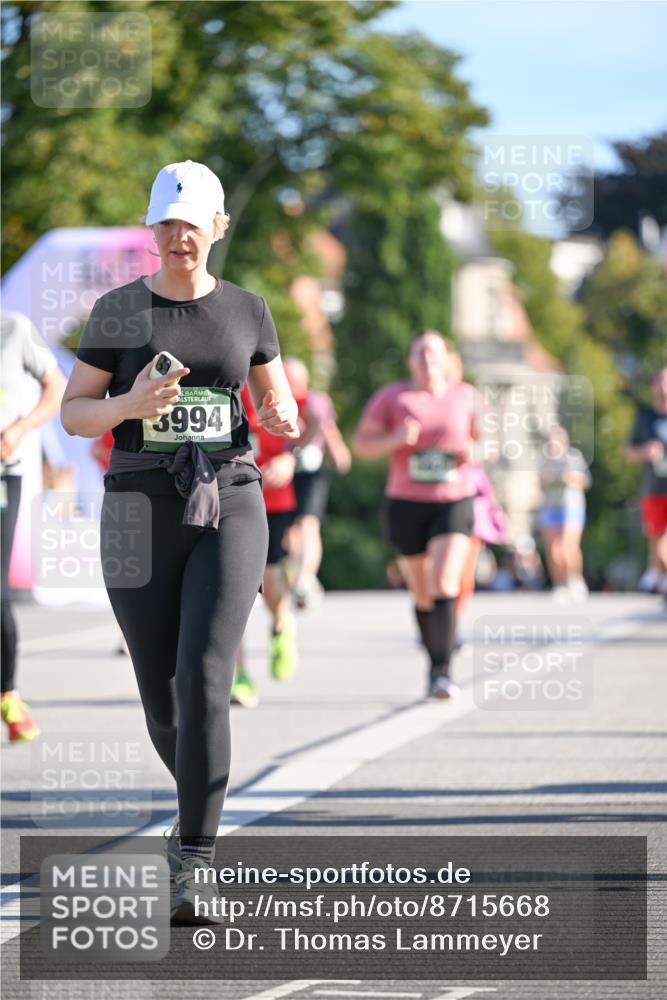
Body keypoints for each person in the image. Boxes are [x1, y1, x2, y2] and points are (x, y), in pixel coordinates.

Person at [60, 160, 299, 923]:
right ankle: (197, 789)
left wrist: (283, 418)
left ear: (218, 228)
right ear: (152, 230)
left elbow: (273, 395)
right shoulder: (119, 310)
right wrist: (129, 401)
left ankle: (195, 859)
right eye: (166, 223)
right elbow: (74, 413)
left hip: (229, 499)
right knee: (162, 699)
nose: (178, 236)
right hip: (137, 509)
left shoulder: (249, 310)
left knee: (204, 679)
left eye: (192, 223)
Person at [353, 331, 480, 700]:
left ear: (446, 358)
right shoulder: (393, 398)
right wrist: (395, 440)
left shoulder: (466, 396)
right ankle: (436, 656)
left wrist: (473, 451)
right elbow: (362, 444)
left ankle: (441, 672)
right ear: (410, 361)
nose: (427, 359)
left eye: (433, 352)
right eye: (420, 353)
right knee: (423, 594)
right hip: (406, 503)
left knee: (444, 582)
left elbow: (489, 441)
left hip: (453, 498)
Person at [1, 312, 66, 741]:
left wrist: (18, 430)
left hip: (4, 472)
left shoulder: (14, 328)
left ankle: (8, 694)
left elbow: (57, 387)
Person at [230, 384, 299, 709]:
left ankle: (281, 623)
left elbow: (295, 437)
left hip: (271, 502)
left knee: (270, 585)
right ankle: (239, 676)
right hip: (223, 501)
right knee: (230, 592)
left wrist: (287, 461)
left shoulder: (262, 387)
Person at [282, 358, 351, 609]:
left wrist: (339, 453)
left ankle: (305, 579)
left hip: (311, 470)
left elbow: (328, 429)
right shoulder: (275, 398)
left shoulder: (317, 401)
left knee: (308, 523)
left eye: (296, 377)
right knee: (289, 533)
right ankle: (295, 574)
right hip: (284, 471)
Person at [626, 366, 667, 600]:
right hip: (654, 489)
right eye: (659, 381)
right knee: (657, 542)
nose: (663, 386)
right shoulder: (645, 416)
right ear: (653, 386)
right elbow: (629, 451)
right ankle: (662, 580)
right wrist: (645, 451)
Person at [538, 425, 591, 601]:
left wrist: (569, 477)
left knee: (569, 546)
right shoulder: (545, 460)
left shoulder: (573, 457)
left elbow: (585, 481)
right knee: (553, 550)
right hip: (551, 507)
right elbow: (540, 484)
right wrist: (547, 479)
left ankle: (575, 579)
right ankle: (559, 583)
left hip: (571, 506)